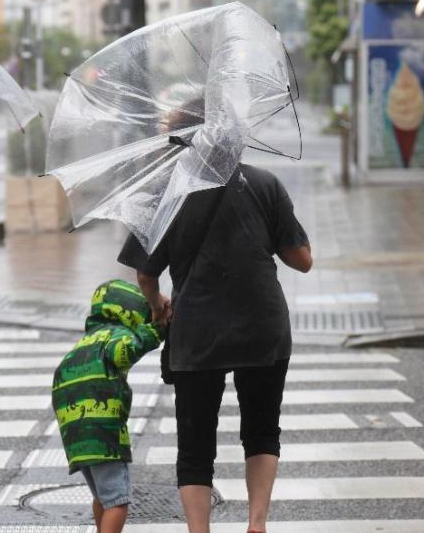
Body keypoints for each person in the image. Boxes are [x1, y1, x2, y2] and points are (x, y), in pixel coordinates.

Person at [118, 163, 312, 533]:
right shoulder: (264, 182)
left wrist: (158, 305)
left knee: (195, 447)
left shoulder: (165, 190)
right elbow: (301, 261)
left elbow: (145, 274)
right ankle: (257, 525)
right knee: (262, 431)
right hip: (262, 324)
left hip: (197, 330)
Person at [52, 279, 167, 533]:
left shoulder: (85, 342)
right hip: (103, 432)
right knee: (118, 501)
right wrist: (157, 330)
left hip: (74, 433)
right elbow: (123, 351)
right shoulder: (117, 334)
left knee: (103, 497)